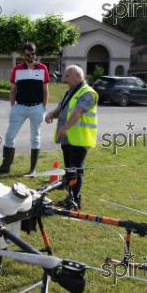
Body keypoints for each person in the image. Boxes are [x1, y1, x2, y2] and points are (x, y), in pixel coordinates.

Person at [0, 42, 49, 175]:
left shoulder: (43, 68)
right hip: (19, 108)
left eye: (33, 53)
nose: (31, 56)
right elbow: (13, 90)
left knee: (35, 138)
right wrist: (13, 106)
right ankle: (5, 167)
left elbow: (45, 90)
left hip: (37, 108)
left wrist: (43, 107)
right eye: (28, 54)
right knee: (9, 136)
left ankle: (32, 169)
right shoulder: (17, 69)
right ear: (24, 55)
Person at [45, 65, 98, 209]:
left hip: (79, 140)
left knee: (75, 171)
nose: (64, 79)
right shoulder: (70, 92)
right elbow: (62, 108)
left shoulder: (87, 93)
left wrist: (66, 126)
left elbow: (78, 112)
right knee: (70, 171)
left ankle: (74, 202)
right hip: (68, 139)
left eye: (67, 76)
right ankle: (71, 199)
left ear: (78, 76)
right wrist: (52, 114)